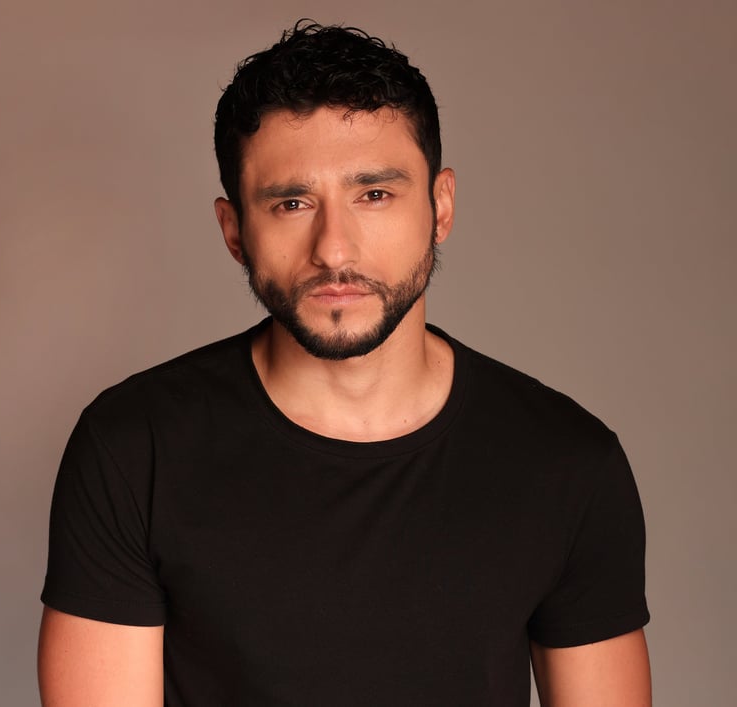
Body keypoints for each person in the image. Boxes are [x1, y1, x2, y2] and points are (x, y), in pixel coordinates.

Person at [38, 20, 651, 707]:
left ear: (441, 206)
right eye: (291, 203)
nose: (334, 249)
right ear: (235, 231)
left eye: (374, 194)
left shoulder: (568, 463)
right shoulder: (133, 449)